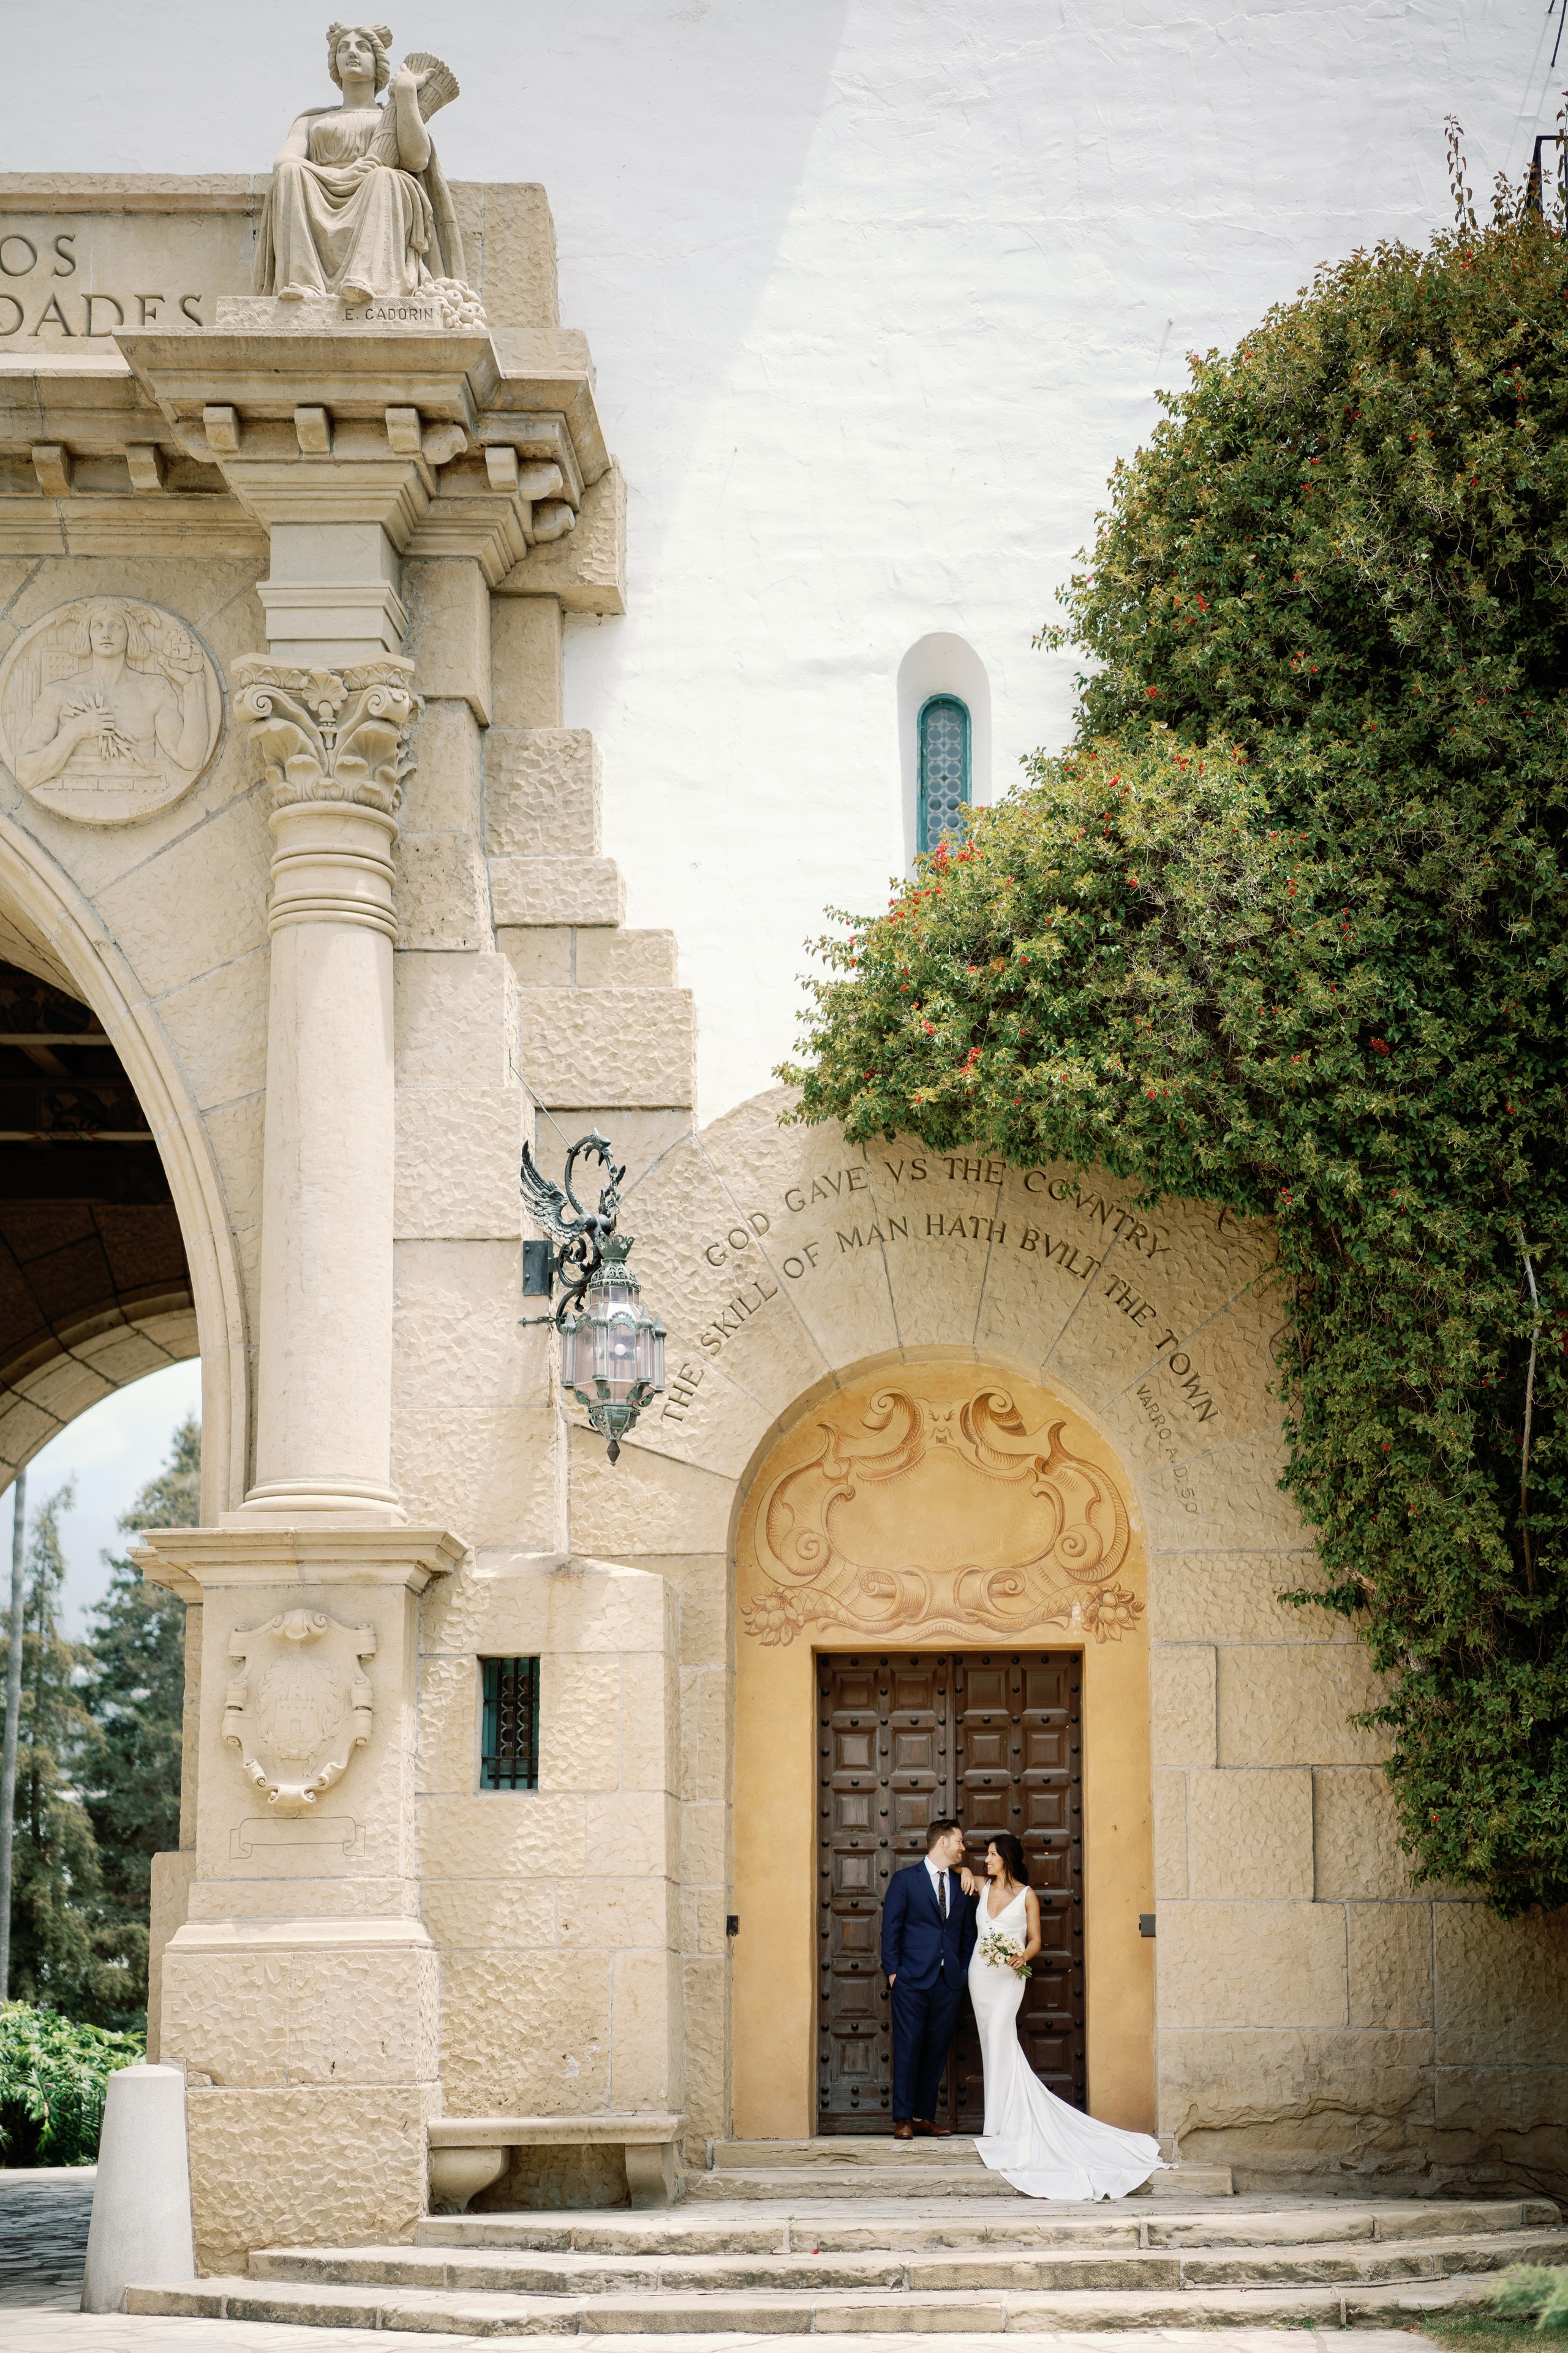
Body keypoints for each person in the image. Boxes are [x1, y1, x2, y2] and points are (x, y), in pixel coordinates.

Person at [965, 1830, 1164, 2198]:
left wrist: (1023, 1956)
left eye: (992, 1855)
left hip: (1010, 1977)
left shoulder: (1027, 1896)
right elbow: (963, 1873)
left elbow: (1037, 1939)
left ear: (1006, 1858)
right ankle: (999, 2121)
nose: (986, 1860)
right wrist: (964, 1869)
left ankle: (998, 2127)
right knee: (991, 2043)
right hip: (980, 1975)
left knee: (1000, 2036)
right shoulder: (981, 1884)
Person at [253, 23, 468, 305]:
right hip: (320, 189)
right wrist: (342, 172)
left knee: (384, 177)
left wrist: (406, 94)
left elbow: (418, 159)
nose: (352, 53)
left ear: (379, 64)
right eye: (343, 49)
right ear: (335, 65)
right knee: (290, 172)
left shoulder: (390, 117)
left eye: (362, 48)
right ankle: (304, 283)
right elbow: (283, 161)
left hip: (376, 191)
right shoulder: (312, 120)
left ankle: (369, 280)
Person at [879, 1817, 977, 2140]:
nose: (963, 1848)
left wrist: (960, 1971)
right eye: (959, 1841)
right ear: (943, 1842)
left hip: (948, 1982)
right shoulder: (906, 1880)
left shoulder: (962, 1884)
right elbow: (891, 1928)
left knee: (935, 2051)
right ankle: (903, 2119)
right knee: (908, 2048)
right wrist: (894, 1973)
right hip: (911, 1981)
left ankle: (924, 2118)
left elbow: (965, 1933)